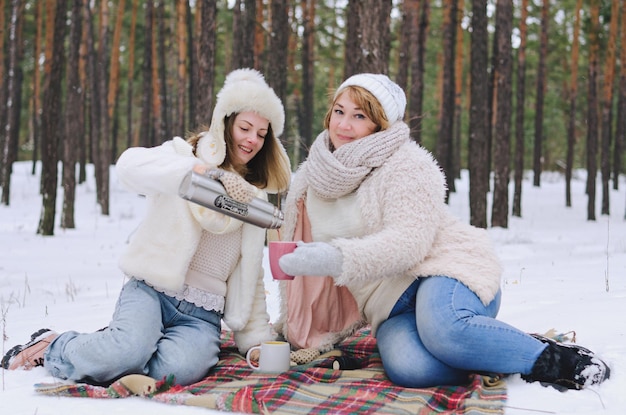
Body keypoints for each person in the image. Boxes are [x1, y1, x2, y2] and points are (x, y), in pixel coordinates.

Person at [274, 73, 610, 391]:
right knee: (411, 368)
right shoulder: (310, 180)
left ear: (380, 124)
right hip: (389, 306)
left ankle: (555, 359)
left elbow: (409, 244)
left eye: (359, 116)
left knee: (444, 330)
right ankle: (492, 349)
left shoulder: (407, 164)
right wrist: (290, 329)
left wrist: (335, 257)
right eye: (339, 111)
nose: (344, 124)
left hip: (444, 272)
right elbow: (302, 266)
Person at [1, 68, 291, 386]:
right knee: (125, 351)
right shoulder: (182, 156)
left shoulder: (253, 200)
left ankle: (110, 349)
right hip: (151, 290)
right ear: (225, 122)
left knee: (178, 371)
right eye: (245, 127)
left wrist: (258, 342)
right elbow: (129, 166)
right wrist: (200, 173)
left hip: (202, 315)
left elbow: (250, 274)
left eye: (262, 134)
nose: (252, 139)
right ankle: (55, 345)